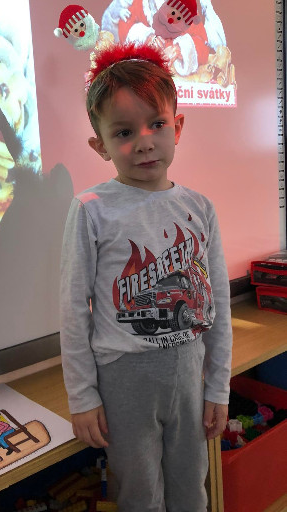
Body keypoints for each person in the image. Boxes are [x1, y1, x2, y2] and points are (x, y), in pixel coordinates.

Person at [60, 41, 232, 511]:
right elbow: (73, 311)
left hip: (190, 371)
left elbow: (217, 303)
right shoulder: (91, 209)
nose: (144, 141)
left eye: (156, 124)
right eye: (123, 132)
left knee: (191, 486)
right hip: (124, 379)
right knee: (139, 494)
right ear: (100, 145)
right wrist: (82, 396)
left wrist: (218, 386)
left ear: (177, 126)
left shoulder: (200, 208)